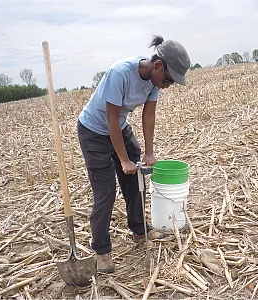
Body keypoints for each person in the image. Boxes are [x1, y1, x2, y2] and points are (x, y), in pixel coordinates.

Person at [77, 35, 191, 273]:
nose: (167, 85)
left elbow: (148, 116)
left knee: (134, 179)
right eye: (169, 80)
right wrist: (123, 160)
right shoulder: (120, 73)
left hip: (119, 127)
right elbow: (110, 119)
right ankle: (102, 250)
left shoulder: (154, 82)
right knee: (106, 192)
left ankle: (139, 228)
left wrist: (148, 153)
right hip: (94, 131)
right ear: (158, 65)